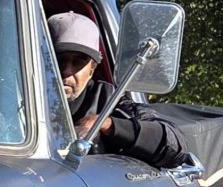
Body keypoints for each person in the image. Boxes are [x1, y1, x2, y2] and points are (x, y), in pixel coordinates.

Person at [47, 11, 187, 169]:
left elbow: (175, 147)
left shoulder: (109, 100)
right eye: (58, 59)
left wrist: (105, 124)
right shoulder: (24, 100)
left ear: (92, 69)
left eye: (79, 62)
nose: (66, 70)